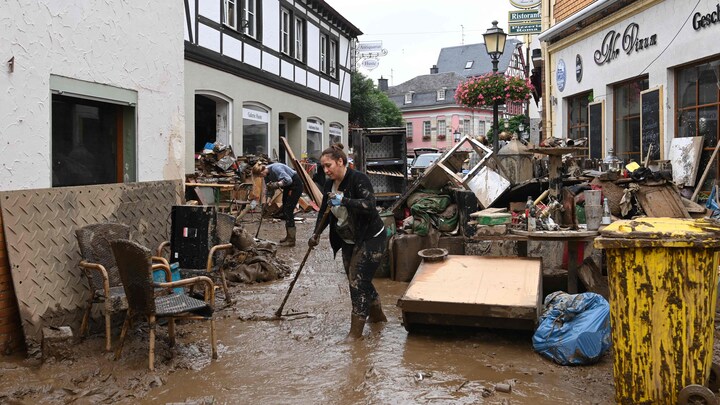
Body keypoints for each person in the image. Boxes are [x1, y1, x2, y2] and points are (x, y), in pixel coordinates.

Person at [308, 143, 387, 341]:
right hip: (348, 239)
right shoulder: (329, 185)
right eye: (323, 167)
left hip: (371, 237)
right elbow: (324, 213)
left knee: (357, 282)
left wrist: (344, 200)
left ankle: (355, 334)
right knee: (358, 279)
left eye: (328, 165)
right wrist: (316, 234)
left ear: (340, 162)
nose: (325, 170)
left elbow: (370, 205)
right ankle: (377, 317)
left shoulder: (358, 179)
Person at [252, 162, 304, 247]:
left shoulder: (276, 168)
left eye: (260, 176)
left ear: (261, 172)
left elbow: (288, 180)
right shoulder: (266, 176)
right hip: (287, 187)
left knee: (288, 210)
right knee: (285, 210)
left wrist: (277, 184)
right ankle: (289, 236)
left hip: (295, 185)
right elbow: (270, 190)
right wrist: (267, 203)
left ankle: (291, 240)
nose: (261, 177)